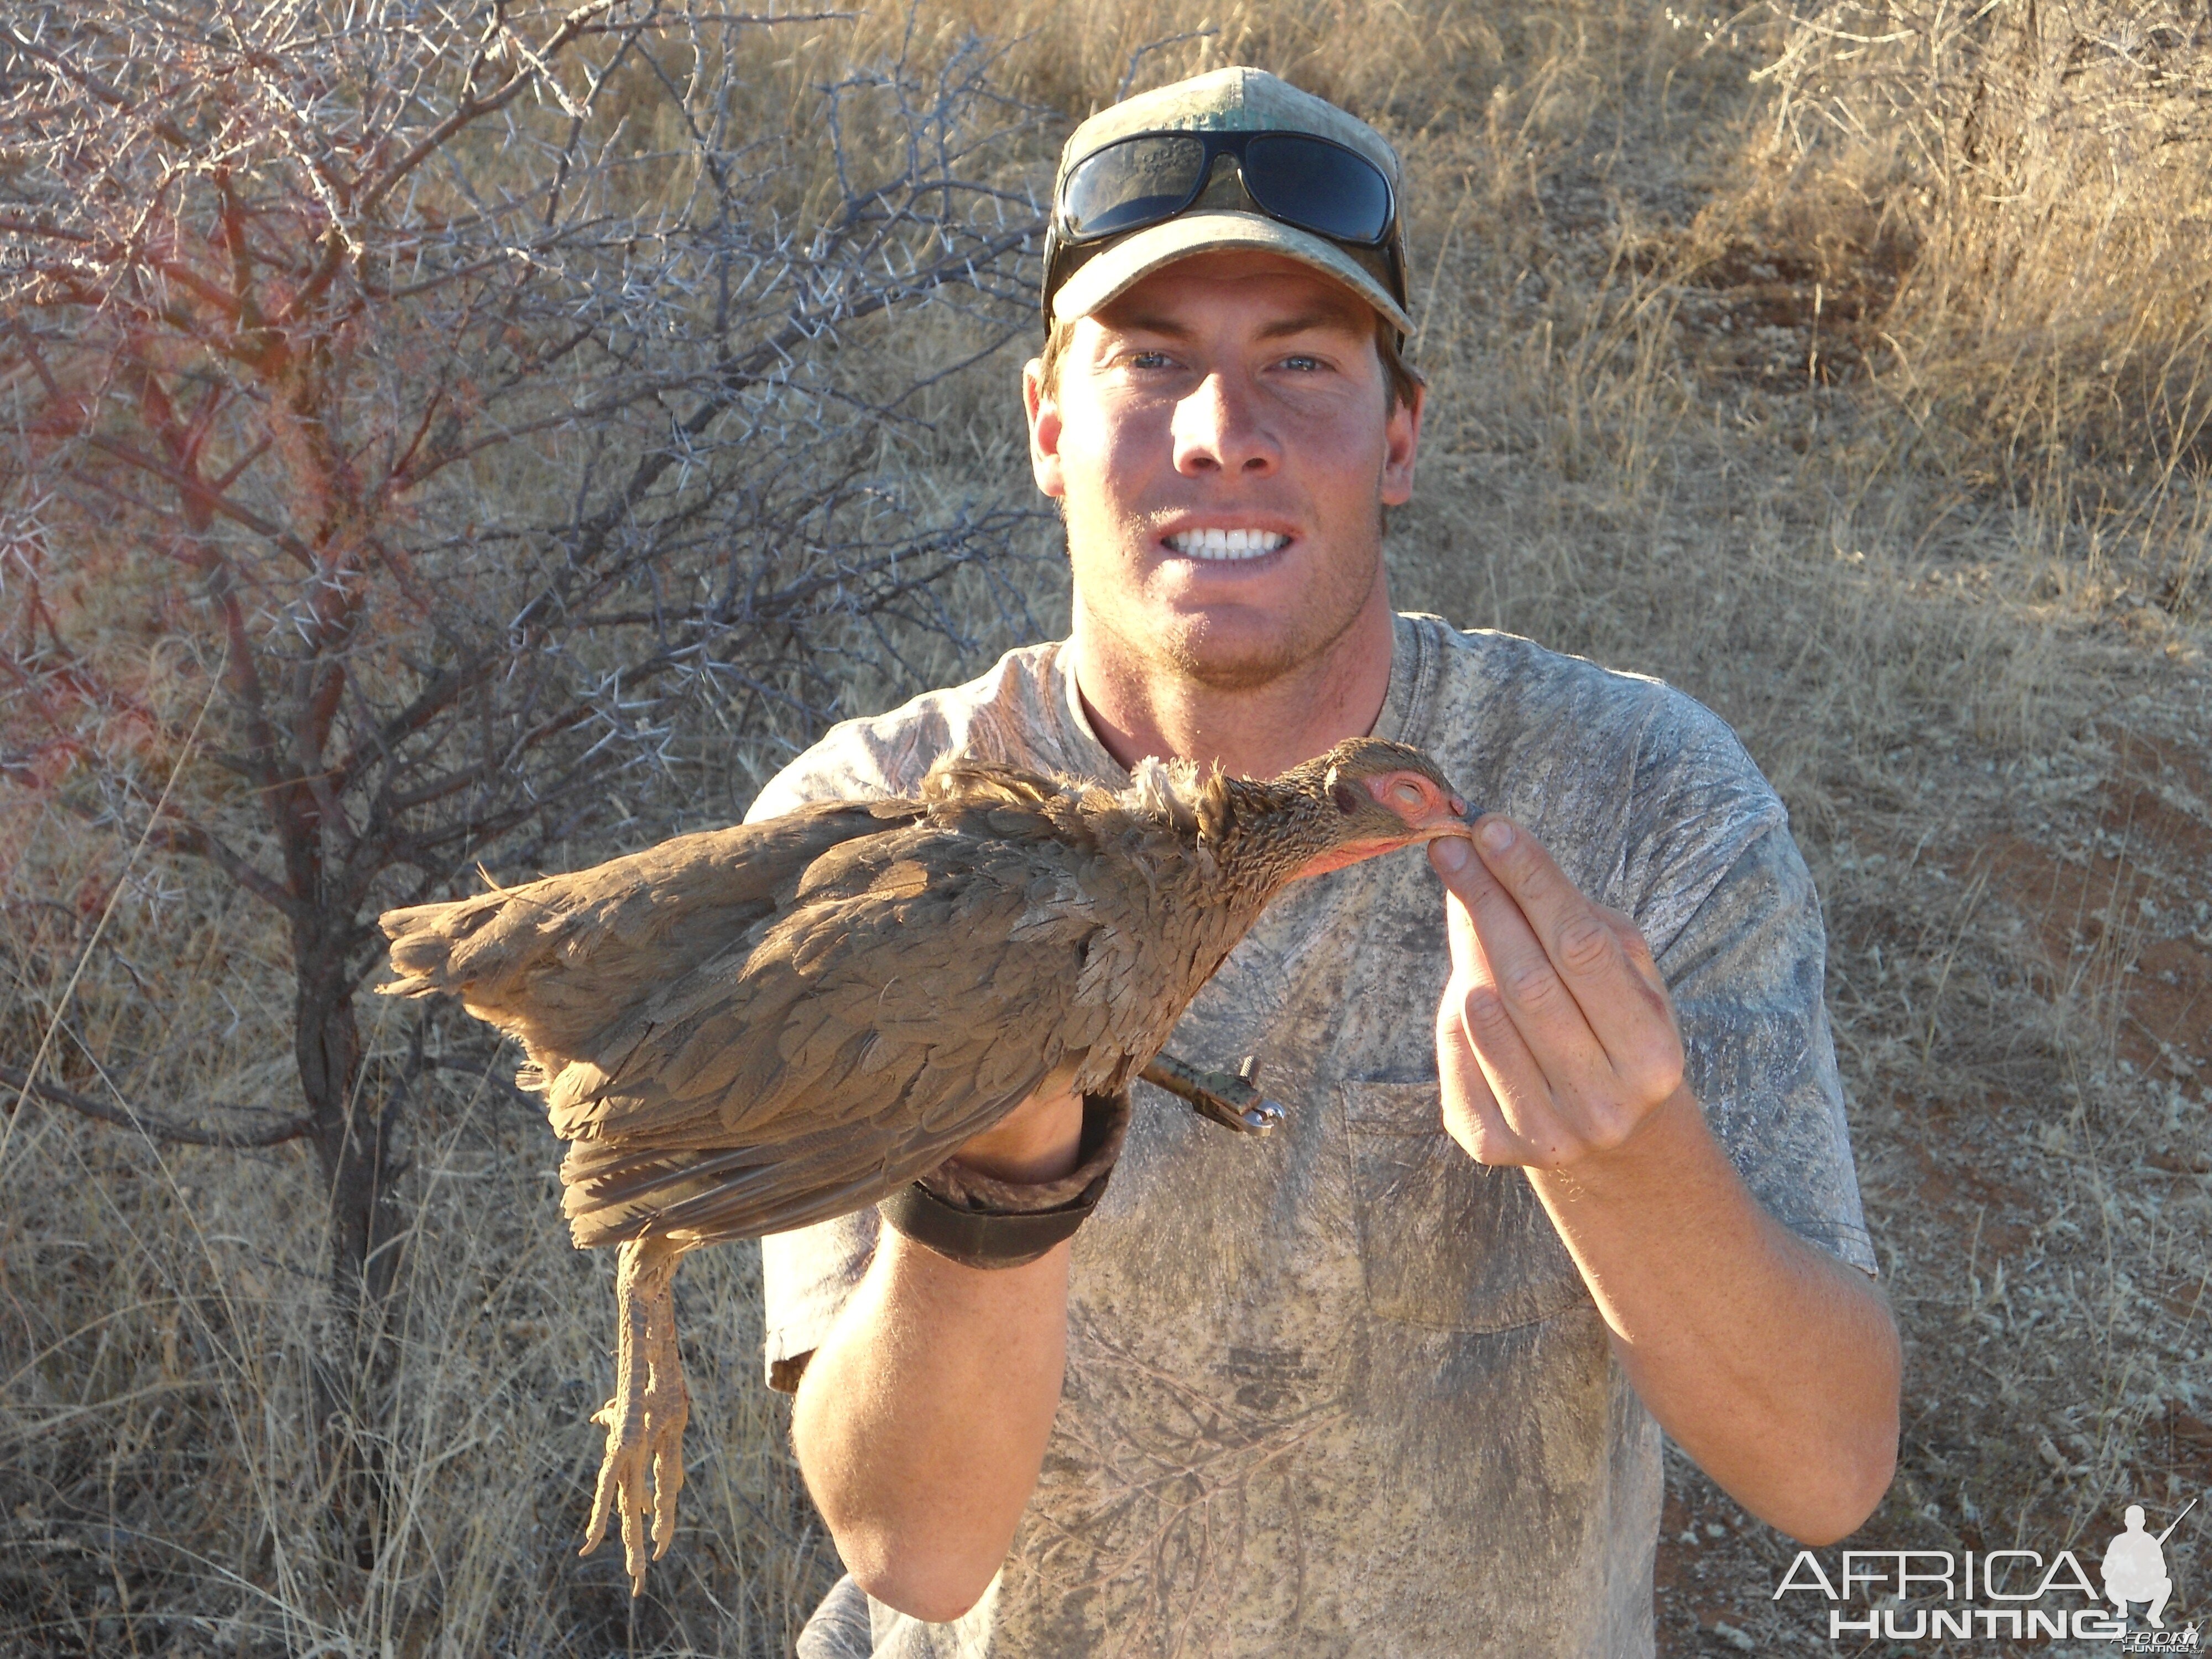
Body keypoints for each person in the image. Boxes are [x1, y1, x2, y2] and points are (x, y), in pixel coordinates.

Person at [749, 66, 1901, 1658]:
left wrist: (1626, 1153)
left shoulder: (1641, 802)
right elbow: (916, 1550)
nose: (1224, 435)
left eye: (1300, 362)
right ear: (1047, 426)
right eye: (1152, 363)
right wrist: (1002, 1168)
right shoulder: (872, 836)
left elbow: (1827, 1466)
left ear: (1402, 437)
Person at [2103, 1505, 2174, 1627]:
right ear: (2126, 1522)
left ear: (2143, 1522)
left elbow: (2162, 1570)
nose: (2135, 1524)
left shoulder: (2150, 1542)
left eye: (2138, 1520)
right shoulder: (2118, 1541)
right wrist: (2121, 1569)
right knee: (2110, 1586)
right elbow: (2106, 1570)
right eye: (2132, 1520)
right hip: (2123, 1587)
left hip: (2143, 1588)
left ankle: (2154, 1616)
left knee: (2166, 1584)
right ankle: (2122, 1607)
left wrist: (2147, 1570)